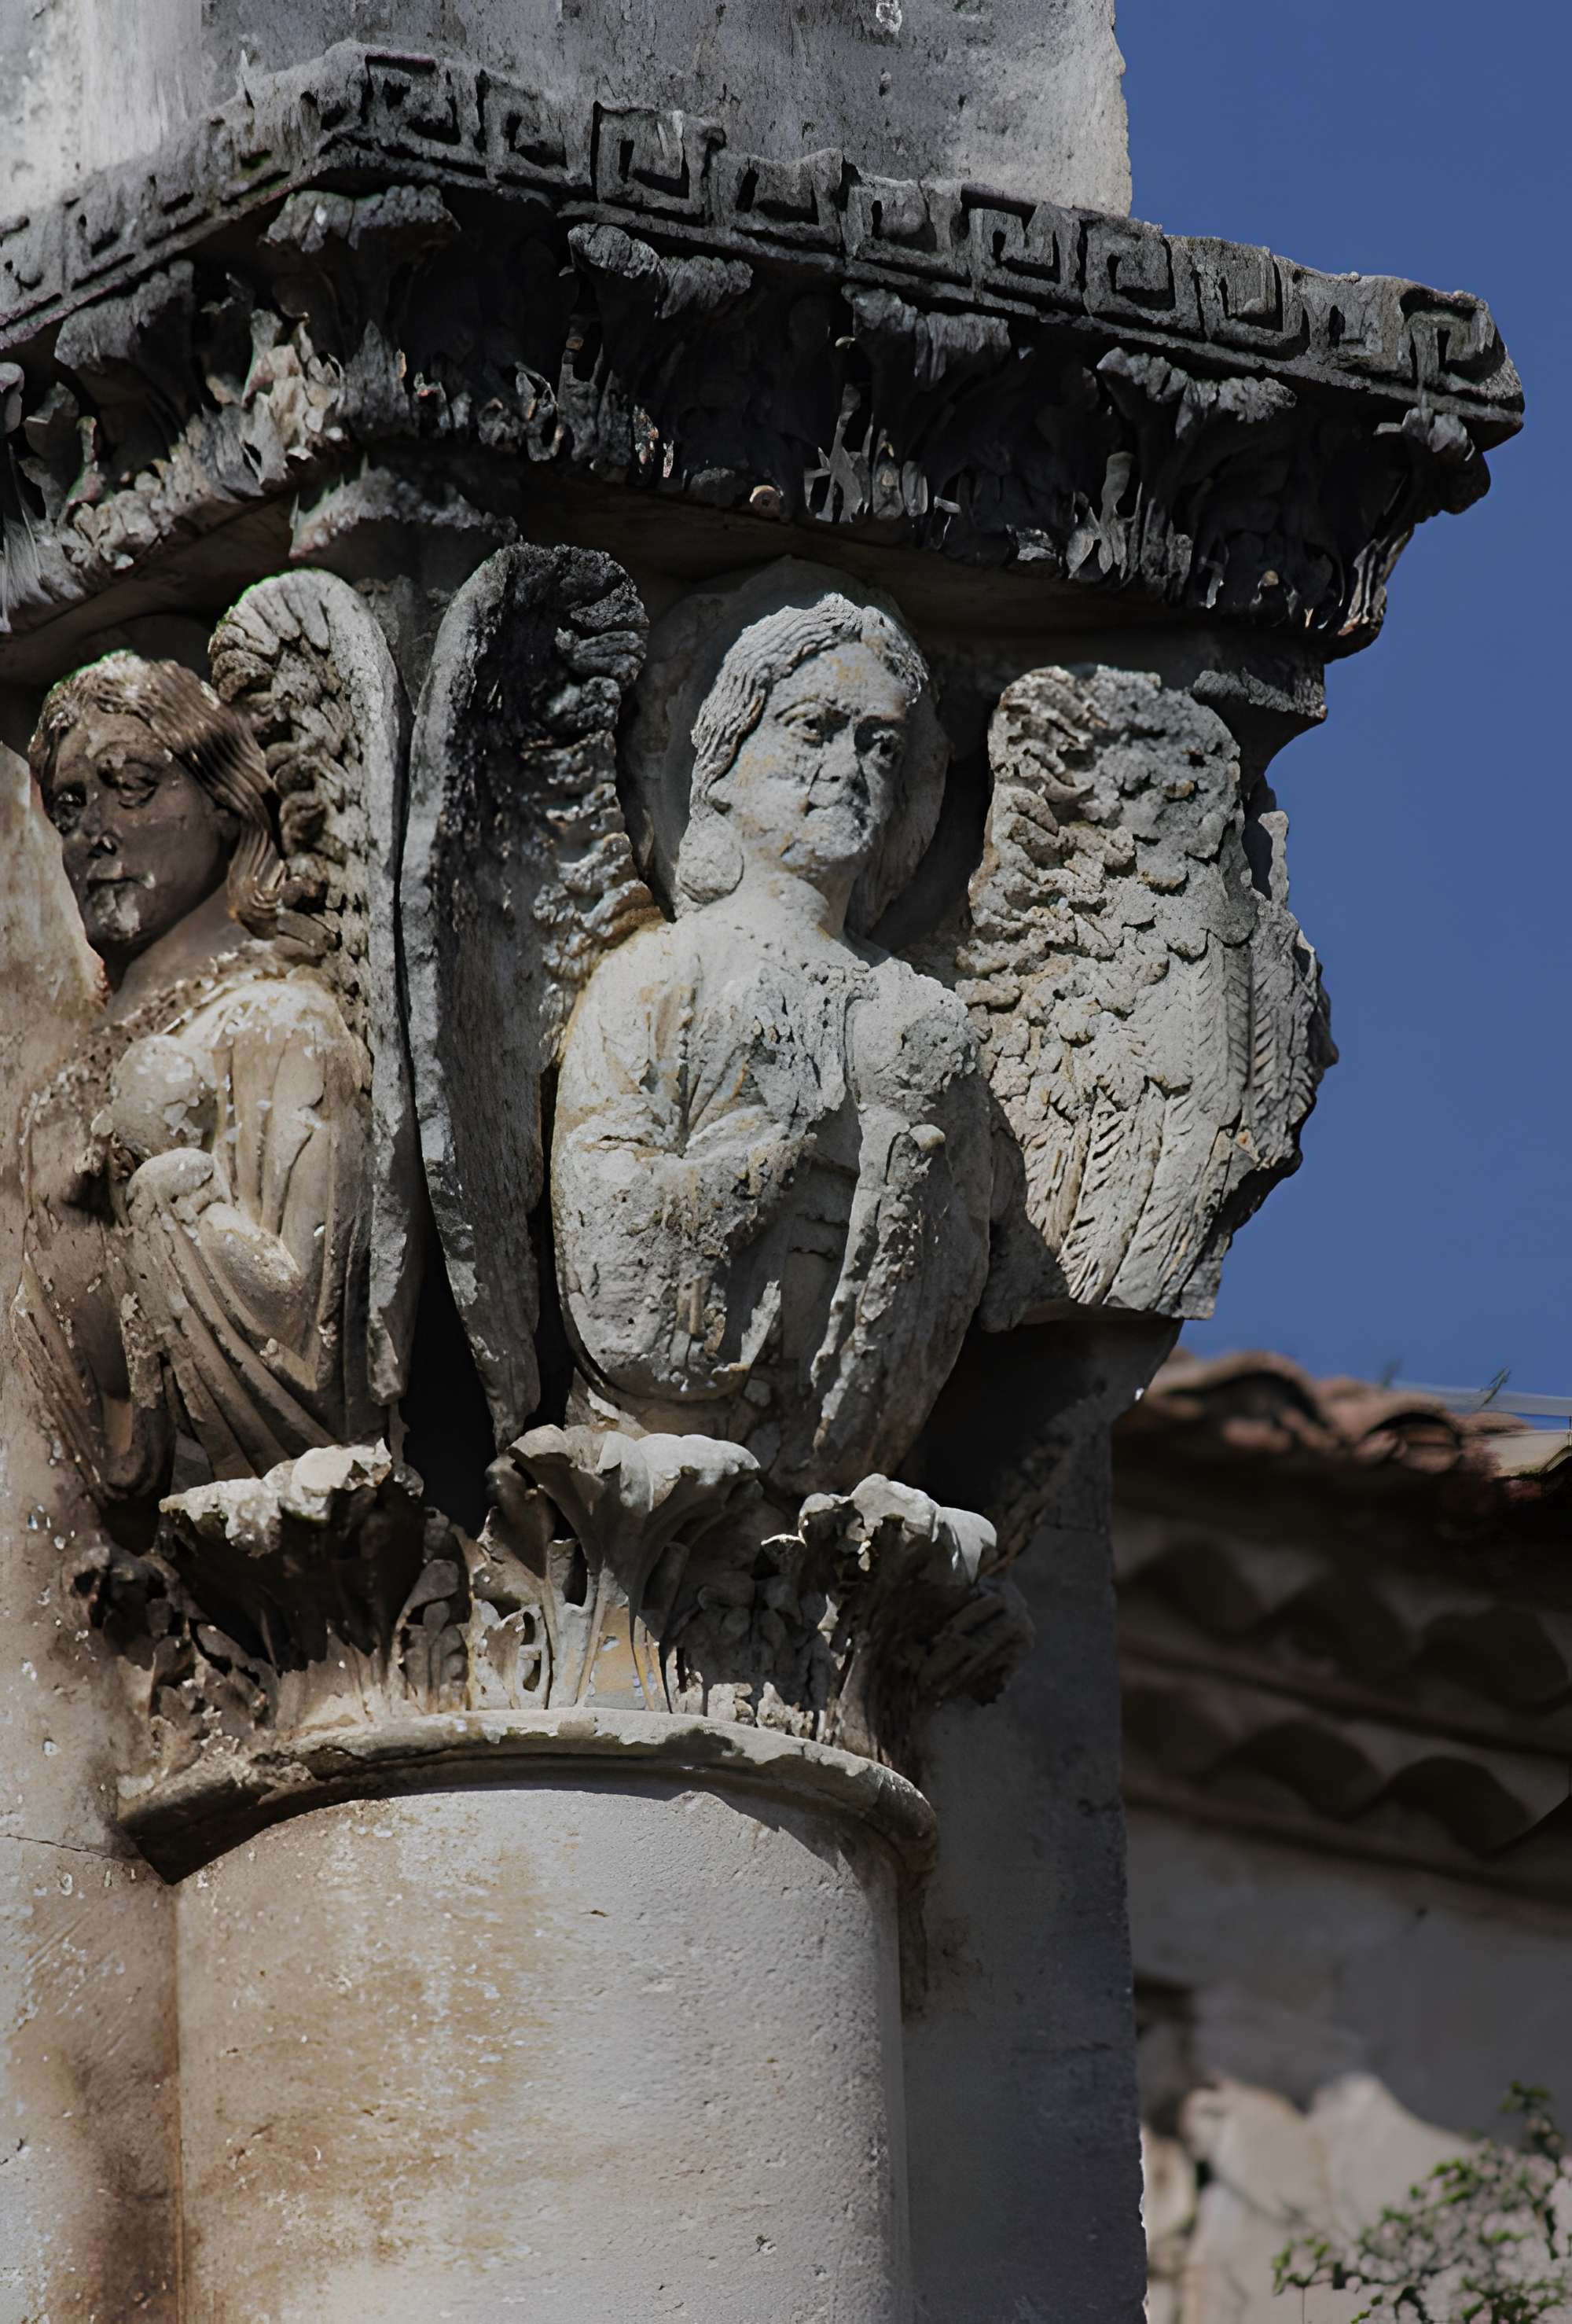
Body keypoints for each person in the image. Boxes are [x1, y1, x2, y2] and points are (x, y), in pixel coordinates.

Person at [552, 594, 993, 1499]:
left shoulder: (920, 1012)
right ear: (721, 762)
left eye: (879, 745)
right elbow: (601, 1223)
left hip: (845, 1444)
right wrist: (763, 1171)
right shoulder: (668, 974)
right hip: (669, 1444)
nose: (850, 768)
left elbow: (953, 1270)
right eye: (813, 729)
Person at [14, 653, 373, 1532]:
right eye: (68, 807)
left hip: (261, 1522)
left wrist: (169, 1199)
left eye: (132, 785)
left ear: (225, 800)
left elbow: (311, 1341)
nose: (94, 831)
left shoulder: (275, 1022)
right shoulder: (53, 1094)